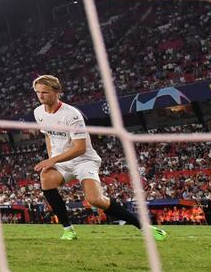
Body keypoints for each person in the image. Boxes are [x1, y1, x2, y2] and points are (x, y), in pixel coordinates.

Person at [32, 75, 168, 241]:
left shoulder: (71, 115)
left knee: (95, 200)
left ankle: (145, 227)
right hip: (61, 161)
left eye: (45, 92)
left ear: (57, 92)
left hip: (83, 160)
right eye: (38, 92)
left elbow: (80, 148)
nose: (40, 96)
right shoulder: (38, 112)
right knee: (45, 177)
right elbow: (48, 135)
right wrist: (51, 157)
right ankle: (68, 230)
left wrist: (53, 160)